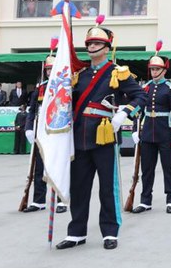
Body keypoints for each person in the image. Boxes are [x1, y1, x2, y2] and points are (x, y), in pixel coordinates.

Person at [55, 17, 146, 251]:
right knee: (79, 186)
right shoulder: (80, 75)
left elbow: (140, 97)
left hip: (104, 136)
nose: (92, 47)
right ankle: (76, 232)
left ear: (107, 47)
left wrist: (124, 113)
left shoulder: (118, 73)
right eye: (89, 43)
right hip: (79, 137)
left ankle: (110, 231)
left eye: (97, 43)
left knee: (107, 187)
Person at [131, 45, 171, 214]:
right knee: (147, 169)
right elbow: (138, 109)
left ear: (164, 70)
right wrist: (134, 130)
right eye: (152, 69)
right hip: (147, 133)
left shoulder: (170, 88)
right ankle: (145, 200)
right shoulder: (145, 88)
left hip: (164, 132)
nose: (153, 72)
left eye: (157, 69)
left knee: (168, 167)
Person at [22, 47, 67, 214]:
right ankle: (39, 200)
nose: (49, 72)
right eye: (47, 69)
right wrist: (28, 128)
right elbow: (32, 110)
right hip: (42, 131)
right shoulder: (40, 88)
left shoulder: (65, 86)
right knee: (39, 167)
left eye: (52, 68)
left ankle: (61, 199)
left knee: (59, 166)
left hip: (59, 130)